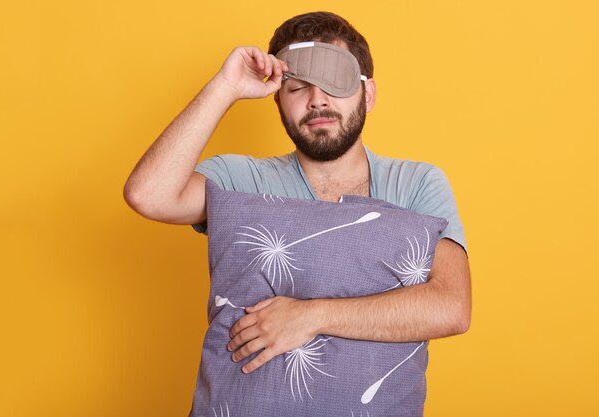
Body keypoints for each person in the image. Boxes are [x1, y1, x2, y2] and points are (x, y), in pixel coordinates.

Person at [124, 11, 471, 415]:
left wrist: (311, 316)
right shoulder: (240, 179)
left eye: (333, 84)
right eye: (298, 87)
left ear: (369, 94)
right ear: (276, 99)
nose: (317, 99)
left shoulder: (416, 183)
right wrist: (226, 86)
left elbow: (451, 307)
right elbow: (148, 195)